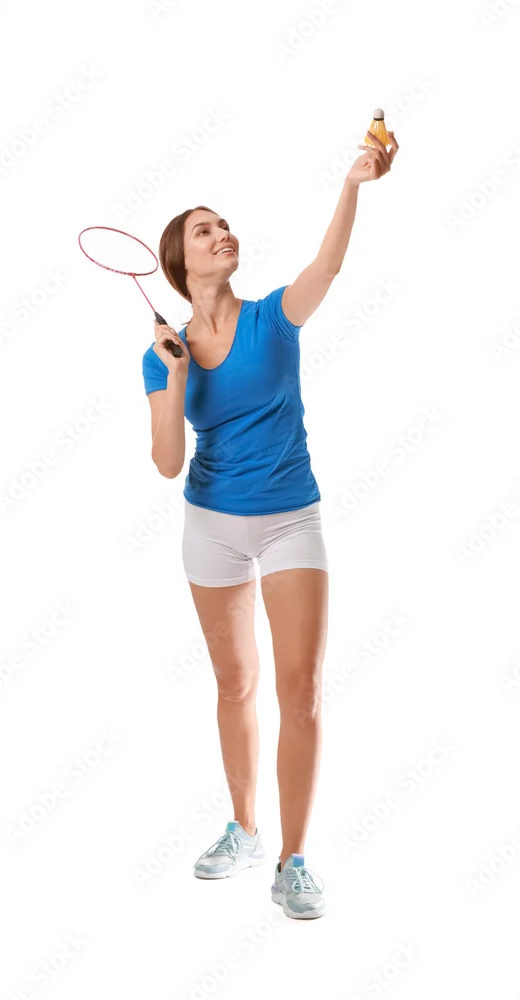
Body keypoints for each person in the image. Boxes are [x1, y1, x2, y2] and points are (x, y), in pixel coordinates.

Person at [141, 129, 398, 918]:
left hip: (290, 519)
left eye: (224, 225)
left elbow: (328, 266)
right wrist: (175, 376)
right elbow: (166, 463)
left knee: (301, 689)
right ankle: (244, 831)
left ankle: (293, 860)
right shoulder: (164, 352)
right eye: (204, 230)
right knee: (236, 684)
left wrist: (352, 184)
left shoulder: (274, 318)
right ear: (180, 262)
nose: (223, 233)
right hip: (210, 525)